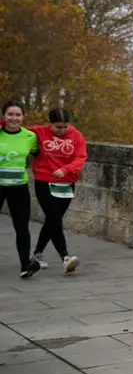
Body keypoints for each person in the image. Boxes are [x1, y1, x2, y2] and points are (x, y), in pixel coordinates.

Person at [28, 108, 86, 273]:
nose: (61, 130)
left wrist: (66, 169)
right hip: (44, 180)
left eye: (65, 127)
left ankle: (37, 254)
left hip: (66, 183)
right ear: (50, 123)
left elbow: (81, 157)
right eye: (57, 127)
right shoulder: (38, 132)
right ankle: (65, 258)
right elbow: (15, 128)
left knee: (53, 219)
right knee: (54, 217)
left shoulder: (77, 136)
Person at [0, 101, 41, 279]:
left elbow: (40, 155)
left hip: (19, 188)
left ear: (23, 117)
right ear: (3, 116)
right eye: (10, 114)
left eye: (18, 115)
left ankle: (26, 265)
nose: (14, 118)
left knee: (22, 227)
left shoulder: (29, 137)